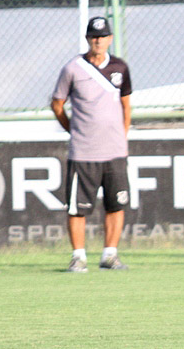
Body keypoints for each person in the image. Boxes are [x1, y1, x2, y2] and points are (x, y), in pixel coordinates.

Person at [51, 16, 132, 272]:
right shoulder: (73, 68)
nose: (98, 41)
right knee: (77, 208)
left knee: (115, 203)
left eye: (103, 36)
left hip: (114, 151)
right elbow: (57, 103)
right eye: (93, 37)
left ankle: (110, 254)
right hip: (83, 151)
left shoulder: (120, 67)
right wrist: (72, 128)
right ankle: (78, 257)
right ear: (87, 39)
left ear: (110, 39)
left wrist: (122, 134)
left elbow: (126, 104)